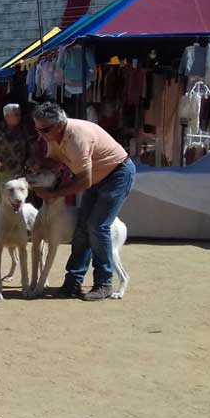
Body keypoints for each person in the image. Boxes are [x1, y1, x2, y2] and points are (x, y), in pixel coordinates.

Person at [29, 102, 136, 301]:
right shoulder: (53, 136)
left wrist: (53, 194)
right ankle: (74, 281)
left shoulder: (77, 138)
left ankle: (104, 283)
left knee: (97, 226)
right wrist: (37, 164)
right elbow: (56, 162)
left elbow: (84, 181)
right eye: (36, 128)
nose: (40, 133)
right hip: (97, 176)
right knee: (81, 229)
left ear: (58, 125)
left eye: (44, 129)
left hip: (117, 174)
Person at [0, 104, 36, 207]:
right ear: (7, 116)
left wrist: (31, 161)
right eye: (16, 114)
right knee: (5, 202)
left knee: (20, 201)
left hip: (21, 172)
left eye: (19, 114)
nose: (18, 117)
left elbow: (29, 148)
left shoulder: (22, 129)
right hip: (4, 171)